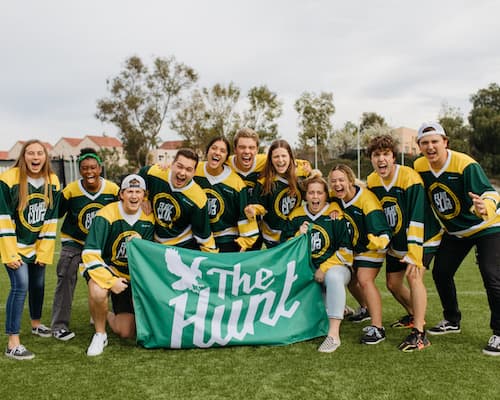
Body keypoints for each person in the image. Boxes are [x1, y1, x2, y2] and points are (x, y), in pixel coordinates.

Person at [414, 121, 500, 356]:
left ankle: (499, 332)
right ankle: (452, 319)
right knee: (441, 272)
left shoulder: (465, 164)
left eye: (435, 141)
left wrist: (486, 206)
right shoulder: (419, 166)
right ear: (419, 146)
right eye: (425, 143)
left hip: (487, 226)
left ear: (445, 142)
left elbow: (490, 192)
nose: (430, 147)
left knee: (491, 274)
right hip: (455, 231)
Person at [366, 135, 432, 351]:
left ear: (394, 157)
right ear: (371, 159)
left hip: (422, 238)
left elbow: (416, 216)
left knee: (414, 277)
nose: (381, 159)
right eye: (376, 155)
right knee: (393, 284)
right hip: (397, 241)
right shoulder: (372, 181)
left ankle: (420, 333)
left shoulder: (409, 178)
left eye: (385, 154)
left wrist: (414, 254)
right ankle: (415, 315)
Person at [81, 174, 155, 356]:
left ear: (144, 195)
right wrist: (110, 281)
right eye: (130, 191)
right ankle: (100, 334)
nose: (134, 196)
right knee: (98, 291)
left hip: (131, 276)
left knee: (126, 332)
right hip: (108, 271)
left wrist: (142, 245)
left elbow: (149, 255)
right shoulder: (106, 214)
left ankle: (104, 313)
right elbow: (89, 254)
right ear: (121, 194)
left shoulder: (148, 218)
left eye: (138, 192)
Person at [0, 140, 60, 360]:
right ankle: (12, 343)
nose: (35, 157)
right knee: (21, 285)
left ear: (45, 157)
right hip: (14, 246)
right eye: (30, 153)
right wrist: (9, 253)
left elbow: (51, 218)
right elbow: (3, 218)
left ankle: (36, 324)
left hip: (37, 245)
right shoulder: (8, 180)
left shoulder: (52, 181)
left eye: (39, 153)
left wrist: (44, 251)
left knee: (38, 283)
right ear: (23, 157)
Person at [50, 148, 119, 341]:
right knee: (65, 278)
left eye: (93, 168)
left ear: (100, 168)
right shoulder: (71, 190)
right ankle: (59, 325)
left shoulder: (112, 189)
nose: (89, 172)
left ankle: (98, 313)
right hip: (75, 242)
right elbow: (55, 213)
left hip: (99, 245)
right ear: (80, 170)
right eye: (85, 168)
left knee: (106, 277)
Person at [282, 173, 353, 352]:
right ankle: (339, 307)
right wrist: (298, 235)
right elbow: (284, 248)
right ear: (305, 195)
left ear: (325, 195)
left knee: (334, 277)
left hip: (335, 268)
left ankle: (333, 335)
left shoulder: (335, 214)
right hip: (307, 272)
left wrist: (324, 268)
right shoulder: (297, 215)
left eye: (319, 193)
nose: (315, 197)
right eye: (311, 193)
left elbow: (346, 251)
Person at [329, 164, 392, 344]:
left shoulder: (366, 200)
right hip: (354, 248)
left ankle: (378, 327)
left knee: (364, 279)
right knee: (351, 281)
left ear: (350, 180)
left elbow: (383, 231)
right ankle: (365, 309)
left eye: (341, 180)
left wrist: (378, 241)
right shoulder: (336, 196)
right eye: (333, 181)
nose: (337, 184)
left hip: (373, 246)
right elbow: (327, 197)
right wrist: (334, 205)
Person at [138, 148, 217, 252]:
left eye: (189, 169)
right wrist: (144, 198)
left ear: (194, 173)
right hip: (154, 243)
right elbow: (138, 180)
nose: (182, 173)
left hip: (181, 246)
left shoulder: (199, 198)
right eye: (179, 166)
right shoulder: (154, 172)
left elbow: (203, 235)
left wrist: (213, 258)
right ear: (172, 164)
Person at [194, 137, 259, 252]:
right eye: (214, 148)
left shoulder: (237, 183)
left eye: (222, 151)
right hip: (197, 236)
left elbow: (244, 217)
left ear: (226, 157)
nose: (217, 153)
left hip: (226, 239)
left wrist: (244, 243)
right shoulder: (194, 170)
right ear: (207, 151)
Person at [247, 139, 305, 249]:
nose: (280, 160)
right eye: (276, 157)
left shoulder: (300, 178)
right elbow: (259, 206)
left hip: (293, 234)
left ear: (290, 157)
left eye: (284, 156)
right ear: (271, 160)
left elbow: (315, 196)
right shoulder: (265, 182)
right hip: (272, 238)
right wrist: (253, 209)